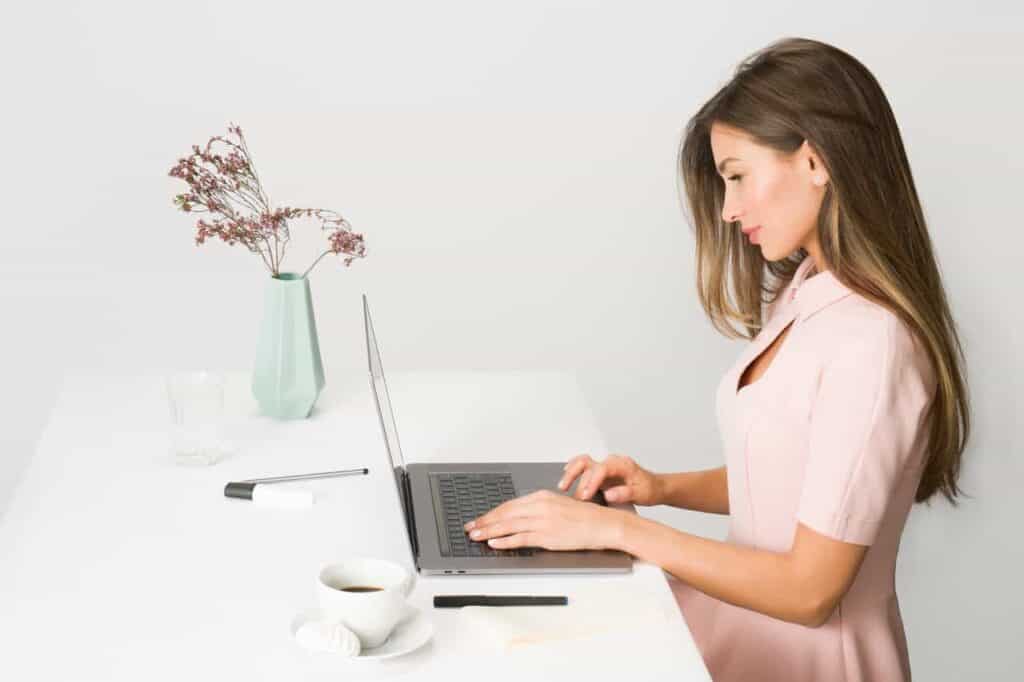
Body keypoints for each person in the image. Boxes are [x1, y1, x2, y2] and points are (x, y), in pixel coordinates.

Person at [464, 36, 971, 681]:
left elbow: (809, 593)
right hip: (741, 630)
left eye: (737, 176)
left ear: (814, 161)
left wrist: (624, 533)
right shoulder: (808, 293)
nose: (729, 210)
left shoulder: (874, 342)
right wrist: (658, 487)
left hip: (814, 660)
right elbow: (795, 479)